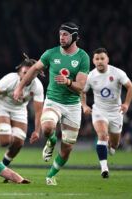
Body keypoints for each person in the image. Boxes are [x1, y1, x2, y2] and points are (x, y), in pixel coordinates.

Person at [13, 22, 90, 185]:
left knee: (67, 148)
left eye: (65, 35)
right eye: (60, 34)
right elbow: (34, 69)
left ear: (75, 37)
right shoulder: (51, 53)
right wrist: (20, 87)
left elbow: (81, 87)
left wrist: (68, 82)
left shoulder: (83, 57)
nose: (61, 37)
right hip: (53, 100)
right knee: (47, 127)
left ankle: (51, 175)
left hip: (72, 106)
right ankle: (51, 140)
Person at [81, 47, 132, 178]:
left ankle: (112, 145)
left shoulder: (117, 73)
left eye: (102, 58)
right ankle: (104, 169)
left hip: (116, 112)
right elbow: (82, 91)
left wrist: (126, 104)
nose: (100, 61)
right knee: (102, 135)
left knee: (114, 144)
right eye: (97, 59)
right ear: (93, 61)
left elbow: (131, 87)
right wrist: (84, 106)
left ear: (107, 60)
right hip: (99, 110)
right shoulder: (91, 76)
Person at [0, 53, 44, 167]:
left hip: (19, 109)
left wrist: (37, 130)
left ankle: (3, 167)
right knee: (5, 140)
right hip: (2, 106)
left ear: (36, 73)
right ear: (19, 72)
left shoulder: (37, 86)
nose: (28, 75)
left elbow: (38, 111)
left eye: (31, 72)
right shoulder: (10, 79)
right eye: (25, 72)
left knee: (19, 142)